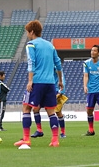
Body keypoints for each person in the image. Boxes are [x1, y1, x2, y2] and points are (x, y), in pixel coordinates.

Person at [14, 20, 63, 148]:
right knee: (51, 111)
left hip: (38, 82)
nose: (27, 35)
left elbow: (31, 62)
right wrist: (60, 81)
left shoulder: (31, 44)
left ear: (31, 32)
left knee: (26, 108)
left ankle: (26, 139)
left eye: (27, 32)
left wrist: (30, 81)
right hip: (50, 83)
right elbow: (58, 64)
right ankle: (55, 140)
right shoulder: (50, 45)